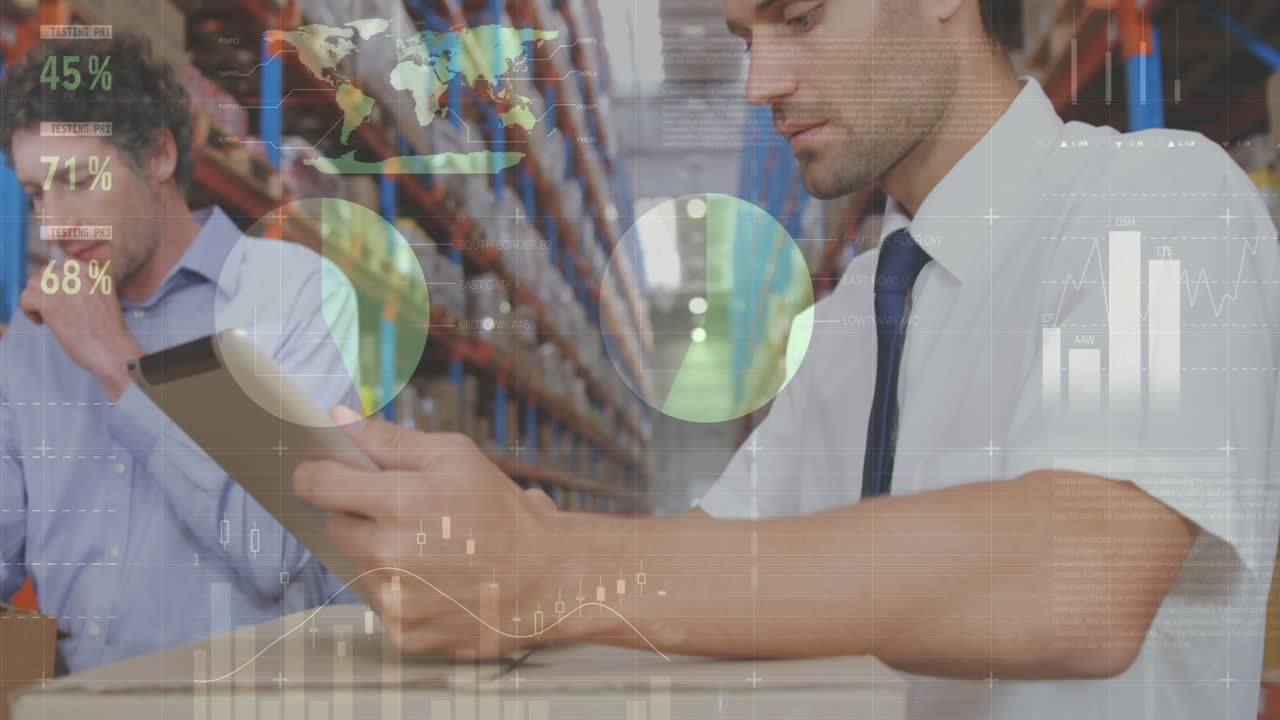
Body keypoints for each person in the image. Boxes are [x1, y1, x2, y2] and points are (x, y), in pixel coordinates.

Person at [294, 0, 1280, 718]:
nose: (758, 83)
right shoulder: (855, 314)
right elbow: (715, 564)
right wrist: (491, 541)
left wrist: (553, 567)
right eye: (743, 40)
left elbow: (1082, 575)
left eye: (797, 20)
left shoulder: (1156, 208)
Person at [0, 34, 360, 672]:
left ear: (160, 154)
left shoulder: (282, 295)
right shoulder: (34, 336)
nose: (55, 225)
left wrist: (121, 366)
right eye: (36, 194)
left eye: (79, 181)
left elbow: (275, 548)